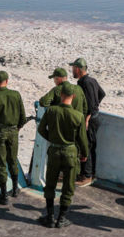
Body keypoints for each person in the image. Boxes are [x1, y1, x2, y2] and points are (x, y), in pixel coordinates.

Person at [36, 82, 89, 228]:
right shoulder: (78, 116)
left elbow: (41, 129)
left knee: (50, 184)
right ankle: (61, 218)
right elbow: (82, 139)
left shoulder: (51, 111)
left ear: (61, 95)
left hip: (54, 151)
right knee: (68, 186)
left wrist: (52, 138)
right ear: (74, 96)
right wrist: (84, 153)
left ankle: (50, 217)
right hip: (70, 152)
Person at [0, 70, 26, 204]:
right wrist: (17, 128)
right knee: (13, 160)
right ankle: (15, 189)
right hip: (13, 132)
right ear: (7, 81)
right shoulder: (16, 95)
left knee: (1, 164)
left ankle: (3, 196)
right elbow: (23, 116)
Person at [71, 58, 105, 186]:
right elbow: (102, 94)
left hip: (90, 120)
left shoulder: (84, 83)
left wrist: (87, 117)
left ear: (78, 69)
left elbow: (90, 103)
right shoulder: (92, 80)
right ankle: (91, 173)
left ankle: (86, 176)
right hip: (96, 117)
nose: (72, 71)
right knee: (92, 146)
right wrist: (95, 107)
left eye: (73, 68)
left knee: (87, 146)